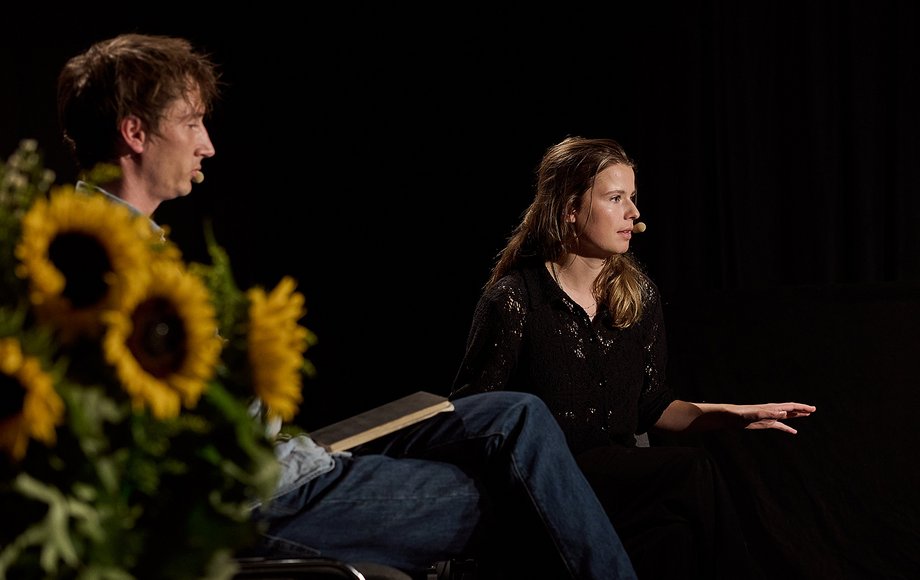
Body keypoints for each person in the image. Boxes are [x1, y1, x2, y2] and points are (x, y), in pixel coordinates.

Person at [56, 35, 638, 580]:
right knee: (519, 500)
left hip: (292, 458)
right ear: (135, 133)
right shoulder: (95, 268)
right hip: (263, 499)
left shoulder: (134, 246)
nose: (207, 142)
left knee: (518, 415)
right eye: (190, 122)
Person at [450, 135, 818, 580]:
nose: (633, 213)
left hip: (618, 482)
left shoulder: (637, 296)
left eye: (633, 198)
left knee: (673, 536)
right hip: (547, 483)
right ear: (570, 209)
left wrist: (733, 414)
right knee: (690, 470)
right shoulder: (515, 299)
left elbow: (652, 406)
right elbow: (473, 413)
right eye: (615, 198)